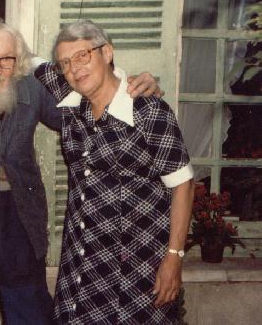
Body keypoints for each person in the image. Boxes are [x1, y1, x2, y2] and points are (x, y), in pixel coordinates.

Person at [0, 19, 161, 325]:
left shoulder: (30, 85)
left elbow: (88, 107)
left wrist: (130, 89)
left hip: (20, 222)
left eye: (6, 60)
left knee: (31, 316)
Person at [35, 20, 194, 324]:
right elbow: (22, 59)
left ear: (107, 53)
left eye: (83, 56)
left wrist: (174, 257)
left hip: (137, 267)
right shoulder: (72, 104)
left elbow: (183, 186)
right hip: (81, 265)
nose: (75, 68)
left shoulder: (148, 111)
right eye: (65, 63)